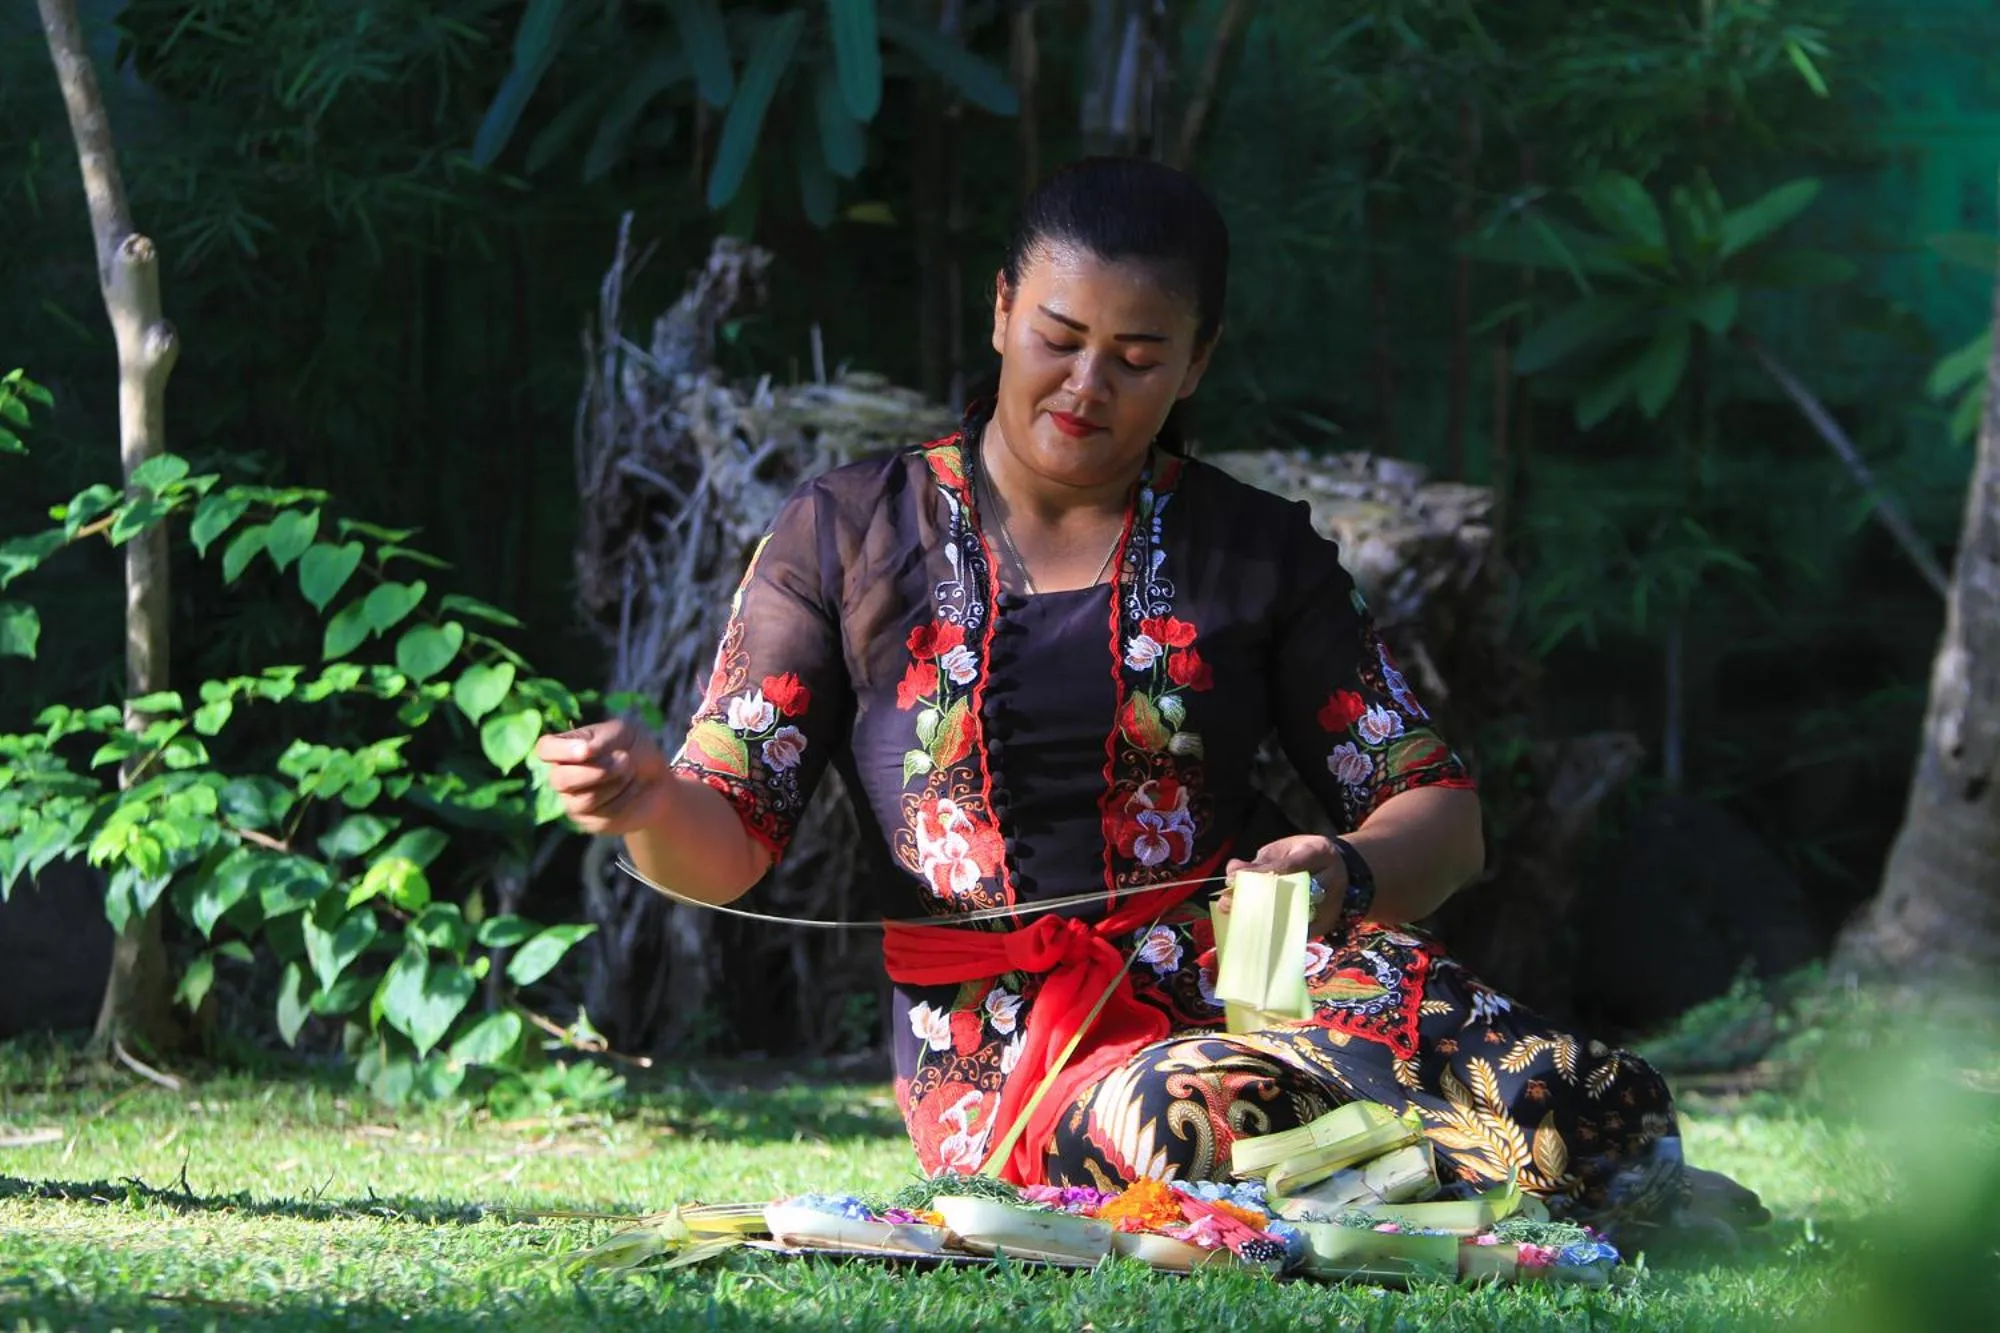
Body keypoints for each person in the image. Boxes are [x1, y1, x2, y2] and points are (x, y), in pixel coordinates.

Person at [537, 156, 1760, 1241]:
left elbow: (1438, 814)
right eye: (1058, 337)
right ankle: (1561, 1192)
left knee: (1563, 1091)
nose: (1086, 385)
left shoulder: (1254, 549)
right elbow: (725, 842)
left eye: (1136, 358)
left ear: (1196, 362)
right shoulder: (847, 532)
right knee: (1203, 1114)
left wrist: (1338, 871)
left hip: (1264, 977)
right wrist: (646, 799)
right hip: (1014, 1046)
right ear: (1002, 307)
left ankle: (1562, 1168)